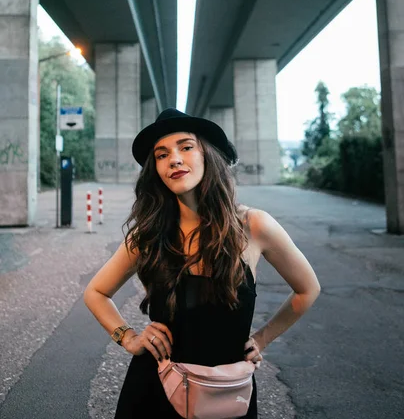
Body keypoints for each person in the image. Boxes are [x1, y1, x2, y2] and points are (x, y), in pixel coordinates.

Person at [84, 108, 321, 418]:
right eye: (161, 154)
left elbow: (307, 289)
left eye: (186, 146)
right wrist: (127, 337)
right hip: (154, 392)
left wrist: (262, 338)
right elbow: (96, 292)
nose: (174, 159)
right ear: (156, 170)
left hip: (227, 395)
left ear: (208, 154)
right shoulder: (148, 235)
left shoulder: (253, 226)